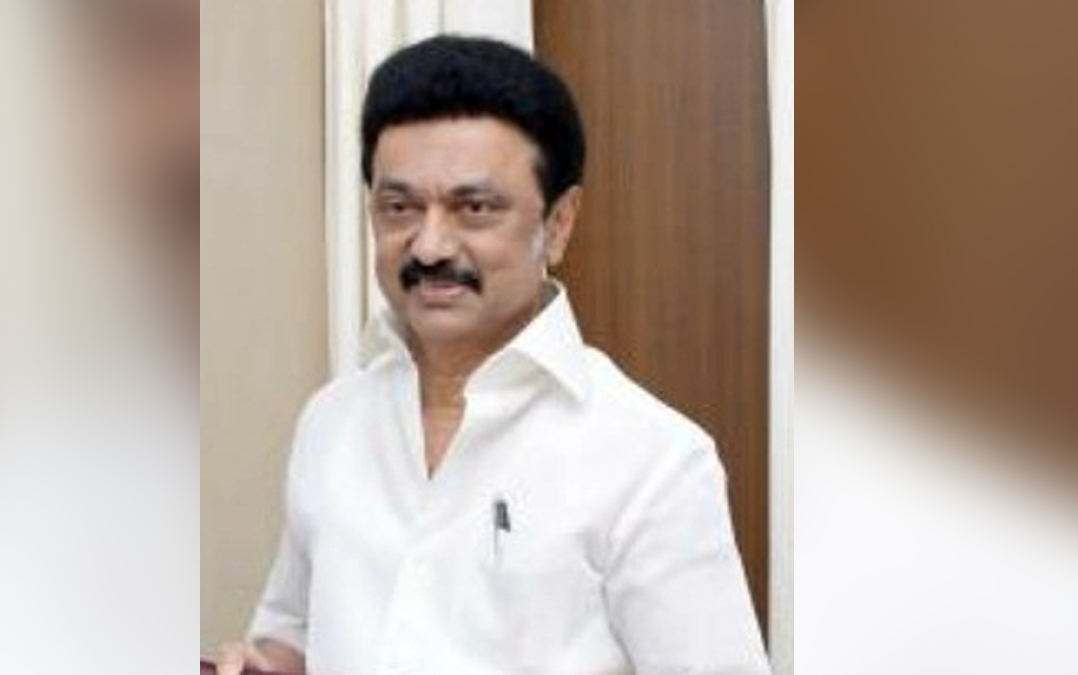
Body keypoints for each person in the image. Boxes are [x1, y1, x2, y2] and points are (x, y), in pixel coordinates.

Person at [217, 35, 769, 675]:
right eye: (399, 208)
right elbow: (293, 632)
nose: (429, 246)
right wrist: (264, 665)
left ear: (558, 223)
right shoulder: (330, 421)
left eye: (474, 208)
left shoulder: (653, 460)